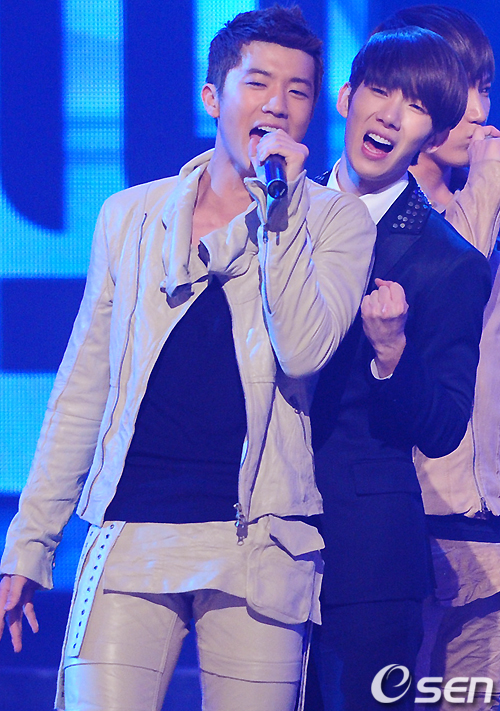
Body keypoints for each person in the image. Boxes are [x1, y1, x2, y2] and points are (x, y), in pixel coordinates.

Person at [0, 7, 376, 711]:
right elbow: (83, 385)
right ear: (213, 97)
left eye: (297, 90)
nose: (277, 104)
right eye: (258, 82)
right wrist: (30, 544)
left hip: (259, 543)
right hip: (132, 529)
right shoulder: (130, 217)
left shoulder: (335, 221)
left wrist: (280, 215)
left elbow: (303, 350)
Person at [306, 27, 492, 711]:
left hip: (365, 554)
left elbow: (443, 426)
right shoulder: (274, 215)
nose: (388, 115)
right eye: (380, 92)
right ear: (345, 97)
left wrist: (394, 355)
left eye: (414, 107)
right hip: (248, 540)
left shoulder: (450, 261)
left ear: (432, 134)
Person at [377, 7, 500, 710]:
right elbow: (447, 290)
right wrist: (486, 186)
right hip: (403, 526)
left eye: (485, 90)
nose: (479, 113)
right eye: (461, 90)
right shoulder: (372, 212)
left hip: (486, 532)